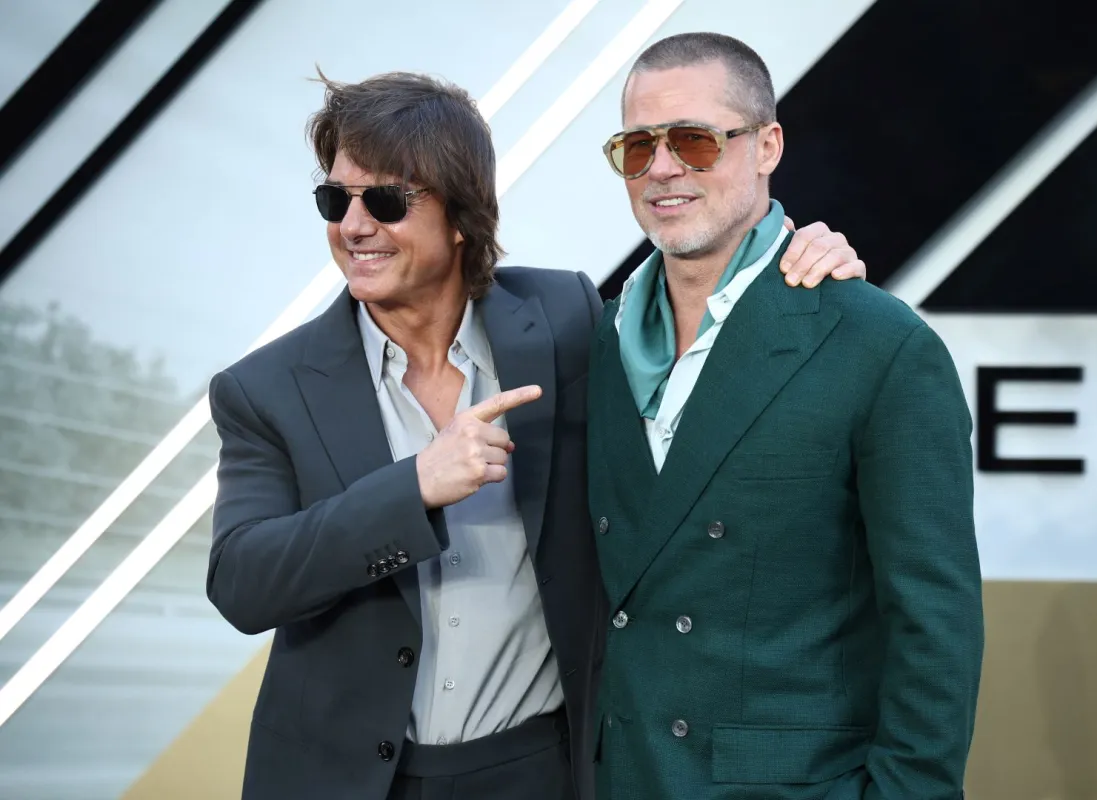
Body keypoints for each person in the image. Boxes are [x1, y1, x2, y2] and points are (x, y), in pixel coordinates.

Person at [205, 69, 865, 800]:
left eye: (386, 201)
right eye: (336, 200)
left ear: (461, 214)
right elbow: (242, 582)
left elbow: (700, 322)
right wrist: (413, 488)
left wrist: (798, 258)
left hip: (541, 770)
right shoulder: (265, 388)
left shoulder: (565, 317)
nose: (353, 226)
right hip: (345, 781)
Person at [587, 32, 984, 800]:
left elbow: (934, 623)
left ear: (766, 145)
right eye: (637, 147)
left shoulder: (878, 344)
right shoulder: (598, 342)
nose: (661, 168)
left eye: (694, 141)